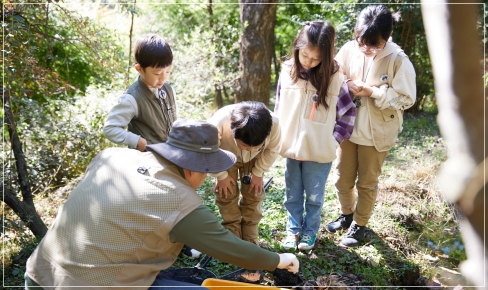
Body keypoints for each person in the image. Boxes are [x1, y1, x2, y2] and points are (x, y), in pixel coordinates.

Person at [24, 119, 299, 289]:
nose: (204, 178)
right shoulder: (180, 201)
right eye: (206, 170)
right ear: (193, 168)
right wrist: (279, 260)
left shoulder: (111, 156)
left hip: (38, 273)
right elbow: (234, 250)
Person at [327, 5, 416, 247]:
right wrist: (347, 83)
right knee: (341, 178)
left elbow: (406, 98)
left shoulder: (398, 60)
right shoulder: (349, 49)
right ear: (356, 33)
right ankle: (346, 215)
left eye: (373, 45)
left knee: (367, 182)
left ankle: (360, 224)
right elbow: (334, 73)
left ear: (388, 37)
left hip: (377, 132)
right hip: (347, 126)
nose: (366, 49)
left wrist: (374, 92)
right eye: (361, 42)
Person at [275, 21, 356, 251]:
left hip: (319, 151)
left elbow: (348, 114)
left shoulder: (334, 78)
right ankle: (293, 231)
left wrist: (333, 140)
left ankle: (310, 232)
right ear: (297, 47)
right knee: (292, 194)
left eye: (315, 58)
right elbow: (279, 107)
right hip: (291, 146)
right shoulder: (288, 71)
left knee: (313, 196)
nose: (308, 62)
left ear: (326, 56)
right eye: (304, 55)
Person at [208, 101, 281, 245]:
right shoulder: (217, 124)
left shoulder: (274, 124)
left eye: (256, 146)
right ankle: (232, 233)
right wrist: (221, 175)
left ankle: (250, 234)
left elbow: (273, 150)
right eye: (246, 146)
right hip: (224, 155)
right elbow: (208, 152)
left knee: (254, 193)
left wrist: (258, 172)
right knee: (226, 194)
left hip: (255, 161)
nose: (250, 149)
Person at [103, 34, 177, 152]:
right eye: (157, 73)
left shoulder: (168, 90)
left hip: (171, 154)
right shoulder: (131, 99)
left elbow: (174, 122)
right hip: (146, 160)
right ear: (139, 69)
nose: (163, 78)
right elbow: (110, 129)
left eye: (168, 71)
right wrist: (137, 141)